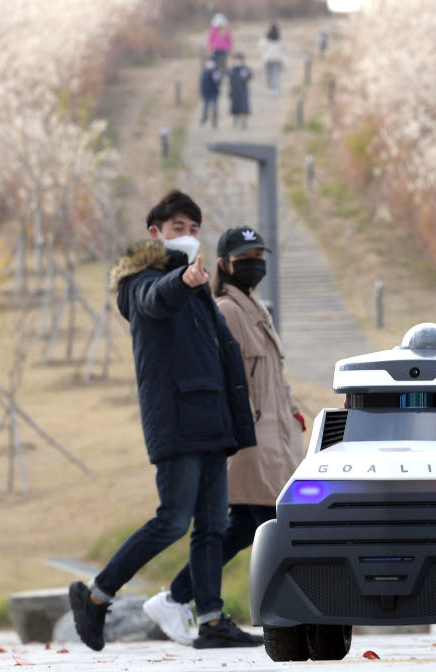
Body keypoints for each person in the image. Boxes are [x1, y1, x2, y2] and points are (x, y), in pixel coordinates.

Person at [68, 191, 261, 651]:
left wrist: (237, 424)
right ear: (155, 234)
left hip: (212, 422)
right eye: (178, 228)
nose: (189, 236)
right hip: (176, 422)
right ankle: (95, 597)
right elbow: (156, 301)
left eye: (195, 229)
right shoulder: (140, 281)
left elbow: (223, 357)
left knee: (213, 524)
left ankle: (211, 622)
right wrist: (182, 279)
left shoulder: (198, 293)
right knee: (172, 521)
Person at [142, 227, 307, 645]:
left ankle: (178, 598)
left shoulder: (257, 309)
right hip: (252, 438)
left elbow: (273, 374)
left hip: (277, 435)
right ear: (223, 263)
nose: (255, 262)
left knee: (244, 526)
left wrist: (293, 411)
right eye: (244, 255)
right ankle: (293, 611)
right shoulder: (227, 310)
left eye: (258, 254)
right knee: (266, 522)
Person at [228, 53, 253, 129]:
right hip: (234, 91)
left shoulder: (245, 68)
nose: (237, 61)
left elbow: (250, 76)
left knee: (244, 107)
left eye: (238, 59)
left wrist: (246, 75)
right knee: (235, 108)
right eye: (236, 59)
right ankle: (235, 121)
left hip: (243, 91)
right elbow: (229, 78)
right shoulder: (232, 69)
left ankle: (244, 122)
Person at [259, 23, 283, 94]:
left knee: (269, 73)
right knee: (276, 73)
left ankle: (271, 87)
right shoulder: (279, 37)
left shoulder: (266, 37)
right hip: (277, 57)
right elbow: (283, 47)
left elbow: (261, 46)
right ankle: (275, 88)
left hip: (268, 58)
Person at [200, 59, 223, 128]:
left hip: (214, 92)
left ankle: (214, 121)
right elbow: (202, 83)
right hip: (206, 92)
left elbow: (218, 82)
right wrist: (201, 91)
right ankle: (204, 118)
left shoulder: (216, 71)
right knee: (205, 107)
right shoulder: (204, 71)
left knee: (214, 108)